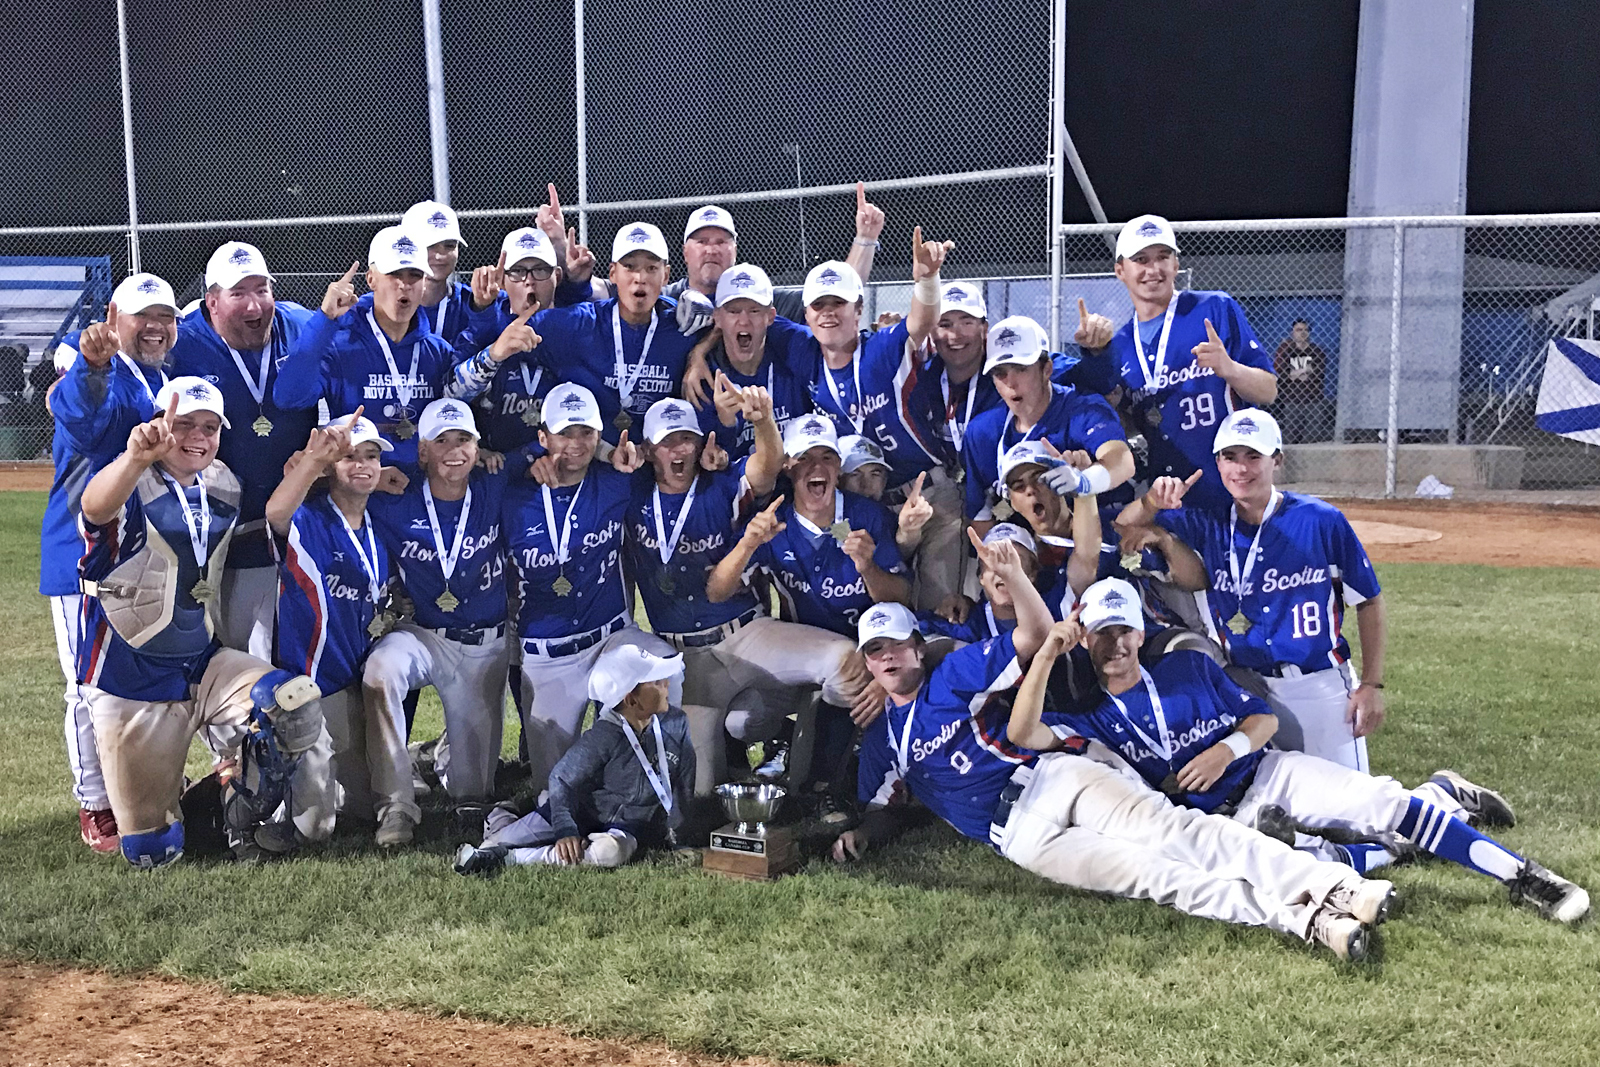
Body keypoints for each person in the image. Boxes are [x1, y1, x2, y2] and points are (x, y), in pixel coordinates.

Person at [832, 537, 1391, 962]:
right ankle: (1313, 924)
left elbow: (1032, 636)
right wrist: (861, 834)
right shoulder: (882, 741)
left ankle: (1334, 886)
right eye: (875, 651)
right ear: (867, 660)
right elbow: (882, 809)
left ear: (915, 647)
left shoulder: (951, 673)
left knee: (1177, 834)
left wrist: (1012, 579)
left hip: (1055, 776)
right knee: (1160, 878)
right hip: (1022, 839)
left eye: (897, 646)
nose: (888, 658)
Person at [1062, 577, 1590, 923]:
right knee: (1310, 868)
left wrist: (1225, 750)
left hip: (1267, 772)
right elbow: (1022, 731)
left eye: (1125, 630)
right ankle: (1444, 796)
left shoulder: (1186, 667)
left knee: (1383, 803)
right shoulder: (1086, 715)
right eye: (1102, 633)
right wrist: (1045, 654)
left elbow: (1263, 718)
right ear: (1084, 638)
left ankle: (1525, 877)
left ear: (1140, 630)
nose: (1116, 645)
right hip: (1221, 826)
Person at [75, 378, 328, 868]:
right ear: (157, 425)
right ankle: (185, 807)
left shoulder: (224, 484)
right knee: (153, 852)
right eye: (184, 424)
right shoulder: (130, 480)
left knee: (292, 706)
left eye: (210, 427)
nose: (198, 436)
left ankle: (233, 811)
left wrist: (316, 462)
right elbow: (94, 508)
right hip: (131, 674)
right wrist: (134, 459)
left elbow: (273, 516)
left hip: (201, 661)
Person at [625, 394, 867, 795]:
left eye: (687, 439)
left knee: (843, 661)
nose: (679, 450)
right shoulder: (630, 494)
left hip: (745, 632)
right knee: (702, 791)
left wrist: (763, 420)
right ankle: (773, 744)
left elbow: (768, 464)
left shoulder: (721, 483)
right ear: (650, 450)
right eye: (668, 442)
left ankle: (836, 767)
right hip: (685, 657)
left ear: (702, 444)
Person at [1117, 409, 1382, 770]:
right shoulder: (1208, 520)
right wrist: (1153, 505)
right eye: (1230, 457)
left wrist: (1371, 684)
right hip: (1245, 688)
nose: (1241, 469)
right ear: (1218, 463)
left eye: (1253, 456)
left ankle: (1445, 794)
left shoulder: (1320, 521)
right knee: (1275, 812)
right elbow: (1122, 526)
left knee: (1354, 815)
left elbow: (1367, 600)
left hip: (1317, 686)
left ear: (1277, 461)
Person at [41, 274, 177, 852]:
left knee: (135, 681)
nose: (155, 326)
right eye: (142, 316)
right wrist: (92, 369)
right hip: (81, 556)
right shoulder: (100, 373)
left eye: (165, 317)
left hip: (138, 556)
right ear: (113, 319)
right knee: (86, 685)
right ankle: (95, 804)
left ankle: (134, 790)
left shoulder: (161, 378)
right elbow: (81, 417)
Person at [502, 383, 680, 796]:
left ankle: (655, 782)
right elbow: (475, 472)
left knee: (663, 662)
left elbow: (664, 461)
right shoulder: (512, 494)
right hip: (548, 656)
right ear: (543, 437)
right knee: (556, 791)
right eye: (565, 433)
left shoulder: (618, 481)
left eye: (586, 433)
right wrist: (526, 460)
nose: (576, 444)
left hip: (609, 641)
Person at [364, 398, 514, 844]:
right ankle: (395, 805)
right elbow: (337, 486)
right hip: (423, 634)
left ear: (478, 446)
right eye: (441, 440)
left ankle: (433, 755)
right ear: (422, 451)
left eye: (464, 439)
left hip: (482, 644)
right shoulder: (393, 496)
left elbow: (557, 452)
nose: (454, 450)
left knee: (472, 793)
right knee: (381, 671)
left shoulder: (495, 480)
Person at [170, 241, 321, 659]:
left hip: (295, 529)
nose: (255, 306)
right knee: (227, 656)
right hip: (219, 537)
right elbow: (113, 341)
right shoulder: (183, 338)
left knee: (295, 658)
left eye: (262, 290)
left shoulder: (299, 324)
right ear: (212, 302)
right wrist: (69, 364)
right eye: (239, 294)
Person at [263, 411, 391, 851]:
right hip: (310, 689)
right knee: (316, 828)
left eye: (371, 456)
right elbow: (275, 512)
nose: (362, 465)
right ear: (332, 467)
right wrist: (312, 462)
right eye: (350, 457)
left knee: (362, 807)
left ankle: (312, 781)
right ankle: (252, 788)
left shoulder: (379, 526)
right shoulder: (309, 519)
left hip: (352, 684)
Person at [1092, 214, 1278, 512]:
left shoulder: (1213, 309)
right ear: (1120, 271)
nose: (1153, 269)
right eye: (1141, 259)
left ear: (1176, 265)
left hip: (1230, 488)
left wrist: (1229, 368)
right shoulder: (1122, 345)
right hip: (1169, 495)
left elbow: (1268, 391)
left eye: (1162, 257)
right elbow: (1132, 421)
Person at [454, 645, 693, 875]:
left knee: (611, 853)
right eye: (656, 683)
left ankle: (511, 859)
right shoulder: (605, 735)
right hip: (580, 812)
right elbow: (561, 778)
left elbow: (685, 778)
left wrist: (680, 833)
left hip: (626, 826)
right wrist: (566, 829)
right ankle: (500, 817)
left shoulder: (676, 724)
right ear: (631, 700)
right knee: (494, 841)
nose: (667, 684)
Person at [273, 228, 465, 469]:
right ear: (371, 279)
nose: (404, 285)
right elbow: (288, 398)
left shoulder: (437, 352)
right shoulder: (339, 344)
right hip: (359, 485)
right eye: (394, 274)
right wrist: (324, 320)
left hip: (420, 491)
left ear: (425, 283)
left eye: (414, 275)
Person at [571, 185, 886, 326]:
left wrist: (865, 239)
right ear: (684, 252)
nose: (711, 249)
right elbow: (597, 290)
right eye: (702, 241)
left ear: (735, 250)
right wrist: (570, 265)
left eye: (722, 241)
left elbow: (841, 290)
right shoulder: (662, 295)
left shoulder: (759, 298)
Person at [963, 316, 1134, 533]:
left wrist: (1084, 481)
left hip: (1102, 530)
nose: (1011, 383)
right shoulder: (982, 432)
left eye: (1021, 369)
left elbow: (1121, 461)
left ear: (1046, 370)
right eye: (1000, 373)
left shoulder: (1081, 407)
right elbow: (980, 514)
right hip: (1032, 544)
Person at [450, 227, 563, 473]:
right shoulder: (485, 323)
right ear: (502, 280)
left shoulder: (575, 325)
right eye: (518, 271)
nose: (529, 280)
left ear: (558, 276)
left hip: (557, 465)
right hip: (494, 468)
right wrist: (493, 354)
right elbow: (450, 394)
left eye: (540, 270)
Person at [683, 263, 815, 462]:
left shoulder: (792, 359)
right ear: (717, 318)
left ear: (770, 317)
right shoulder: (704, 380)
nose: (744, 321)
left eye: (754, 311)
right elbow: (715, 463)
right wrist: (726, 424)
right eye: (734, 311)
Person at [402, 199, 473, 344]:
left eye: (449, 246)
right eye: (430, 246)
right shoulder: (381, 306)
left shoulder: (473, 303)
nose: (440, 256)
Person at [1273, 319, 1328, 444]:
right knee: (1290, 436)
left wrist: (1294, 374)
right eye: (1298, 330)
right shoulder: (1286, 351)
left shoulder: (1317, 351)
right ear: (1292, 333)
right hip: (1292, 398)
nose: (1302, 333)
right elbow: (1281, 373)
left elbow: (1317, 374)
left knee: (1312, 437)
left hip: (1313, 399)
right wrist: (1305, 371)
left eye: (1305, 330)